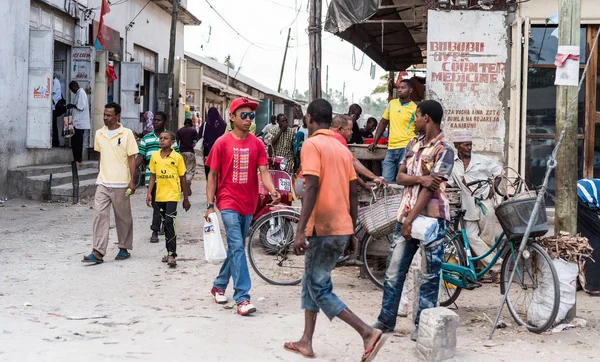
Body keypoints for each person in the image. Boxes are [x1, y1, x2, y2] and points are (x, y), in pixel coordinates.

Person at [284, 98, 387, 361]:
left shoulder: (312, 144)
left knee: (319, 287)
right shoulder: (342, 150)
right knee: (310, 281)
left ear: (308, 119)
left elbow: (312, 186)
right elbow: (353, 192)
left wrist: (300, 229)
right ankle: (306, 341)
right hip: (340, 225)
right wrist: (352, 229)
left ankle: (367, 333)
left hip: (324, 226)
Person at [372, 100, 454, 341]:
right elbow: (400, 176)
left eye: (416, 116)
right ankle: (386, 319)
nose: (414, 121)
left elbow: (433, 188)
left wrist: (410, 219)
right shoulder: (412, 143)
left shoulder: (445, 150)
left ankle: (422, 325)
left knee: (430, 275)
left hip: (432, 219)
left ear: (426, 118)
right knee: (394, 271)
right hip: (405, 213)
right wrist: (421, 178)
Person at [204, 97, 281, 316]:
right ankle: (242, 298)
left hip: (249, 204)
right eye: (244, 115)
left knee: (235, 249)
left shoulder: (257, 144)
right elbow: (212, 176)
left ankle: (219, 285)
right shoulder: (221, 143)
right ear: (232, 117)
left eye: (251, 116)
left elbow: (264, 171)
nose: (248, 120)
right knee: (238, 247)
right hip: (227, 202)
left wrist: (272, 189)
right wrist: (210, 204)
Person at [82, 102, 138, 264]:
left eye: (109, 115)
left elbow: (131, 158)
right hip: (103, 183)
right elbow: (101, 156)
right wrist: (100, 173)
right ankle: (98, 251)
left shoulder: (126, 134)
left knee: (123, 217)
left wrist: (132, 181)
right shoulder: (99, 133)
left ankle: (124, 247)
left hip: (121, 183)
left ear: (117, 116)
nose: (105, 118)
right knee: (99, 215)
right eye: (104, 115)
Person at [450, 130, 503, 282]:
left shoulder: (481, 160)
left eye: (470, 145)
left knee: (488, 237)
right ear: (457, 146)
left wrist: (494, 187)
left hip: (485, 202)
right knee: (471, 236)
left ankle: (490, 271)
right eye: (466, 145)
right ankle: (496, 265)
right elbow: (449, 182)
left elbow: (499, 172)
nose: (469, 148)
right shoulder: (453, 165)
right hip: (467, 204)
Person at [146, 130, 191, 267]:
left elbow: (182, 178)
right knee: (165, 224)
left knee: (170, 222)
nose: (162, 140)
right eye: (161, 138)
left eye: (166, 138)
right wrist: (149, 193)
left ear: (172, 142)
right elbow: (153, 175)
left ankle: (172, 254)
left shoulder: (177, 157)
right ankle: (168, 251)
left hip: (172, 195)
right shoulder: (155, 156)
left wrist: (186, 198)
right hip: (159, 195)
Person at [137, 111, 180, 244]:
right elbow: (140, 157)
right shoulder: (146, 139)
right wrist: (131, 169)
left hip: (168, 178)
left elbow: (178, 158)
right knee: (156, 205)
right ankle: (155, 230)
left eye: (159, 120)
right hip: (152, 177)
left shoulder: (170, 139)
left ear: (165, 122)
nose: (155, 122)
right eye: (154, 120)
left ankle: (163, 225)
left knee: (166, 205)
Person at [368, 79, 418, 182]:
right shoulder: (392, 104)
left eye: (403, 88)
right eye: (399, 87)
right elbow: (383, 122)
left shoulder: (415, 108)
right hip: (391, 148)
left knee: (402, 180)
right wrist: (375, 142)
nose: (400, 90)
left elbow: (419, 128)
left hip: (406, 147)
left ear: (410, 90)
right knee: (386, 180)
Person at [198, 107, 227, 179]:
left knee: (208, 170)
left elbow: (199, 135)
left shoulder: (205, 124)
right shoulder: (223, 124)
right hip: (220, 150)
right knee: (219, 169)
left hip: (207, 151)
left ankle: (210, 185)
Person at [67, 81, 91, 166]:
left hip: (80, 124)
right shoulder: (78, 93)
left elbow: (81, 106)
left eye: (71, 89)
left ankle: (79, 160)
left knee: (78, 142)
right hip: (76, 123)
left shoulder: (81, 93)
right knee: (74, 142)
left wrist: (72, 105)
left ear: (74, 87)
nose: (72, 91)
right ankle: (75, 159)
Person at [176, 118, 199, 195]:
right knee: (190, 169)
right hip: (190, 152)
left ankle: (183, 184)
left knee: (182, 170)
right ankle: (188, 181)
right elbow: (196, 141)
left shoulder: (179, 131)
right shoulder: (193, 130)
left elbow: (176, 141)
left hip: (181, 152)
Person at [52, 76, 64, 147]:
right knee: (54, 125)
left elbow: (51, 92)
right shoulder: (56, 81)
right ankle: (55, 142)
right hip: (54, 106)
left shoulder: (55, 82)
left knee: (53, 126)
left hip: (54, 107)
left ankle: (55, 142)